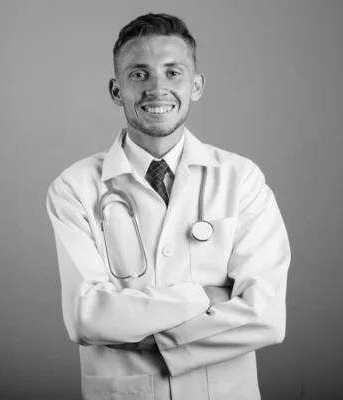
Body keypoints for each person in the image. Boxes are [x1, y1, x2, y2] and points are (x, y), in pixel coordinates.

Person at [45, 13, 290, 400]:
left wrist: (142, 331)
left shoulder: (240, 178)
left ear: (196, 86)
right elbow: (86, 317)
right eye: (139, 74)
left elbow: (267, 317)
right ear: (115, 90)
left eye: (173, 72)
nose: (157, 89)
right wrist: (206, 297)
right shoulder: (74, 187)